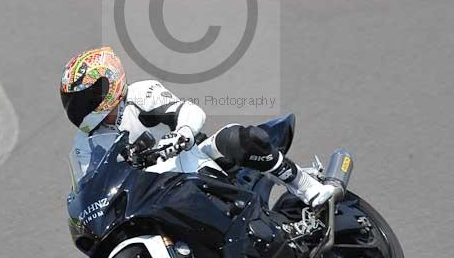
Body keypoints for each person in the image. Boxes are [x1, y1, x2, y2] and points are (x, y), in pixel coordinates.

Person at [60, 46, 336, 207]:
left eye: (87, 97)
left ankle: (305, 185)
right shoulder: (85, 145)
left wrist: (181, 135)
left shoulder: (139, 95)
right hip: (151, 193)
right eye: (74, 102)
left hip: (194, 161)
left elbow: (188, 111)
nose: (81, 107)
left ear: (109, 82)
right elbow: (88, 187)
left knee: (234, 138)